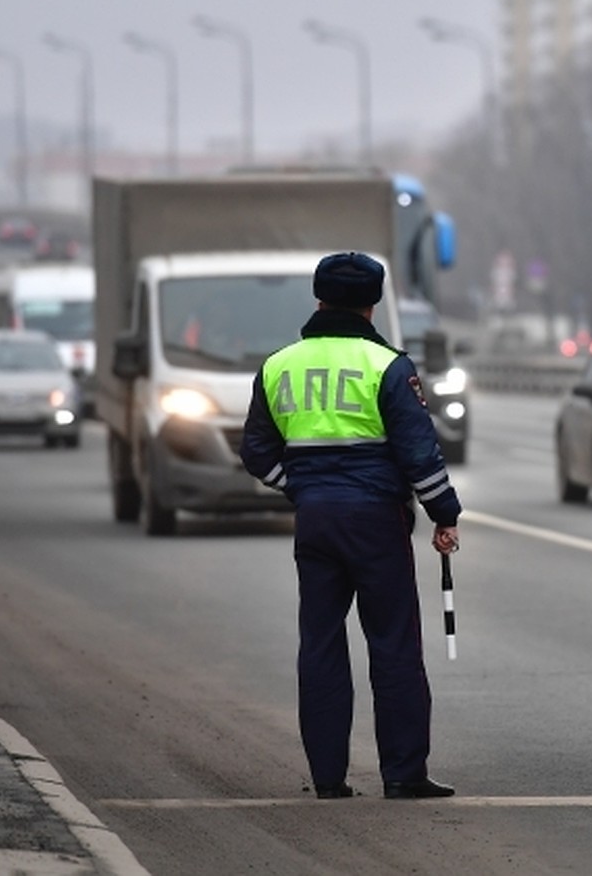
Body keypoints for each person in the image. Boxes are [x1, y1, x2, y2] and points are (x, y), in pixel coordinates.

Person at [240, 251, 461, 800]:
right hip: (375, 522)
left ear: (318, 298)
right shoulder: (387, 366)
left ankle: (328, 778)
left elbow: (255, 452)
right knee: (393, 645)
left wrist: (301, 489)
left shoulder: (278, 366)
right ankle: (404, 774)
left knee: (319, 644)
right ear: (374, 303)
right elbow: (419, 453)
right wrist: (445, 514)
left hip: (315, 521)